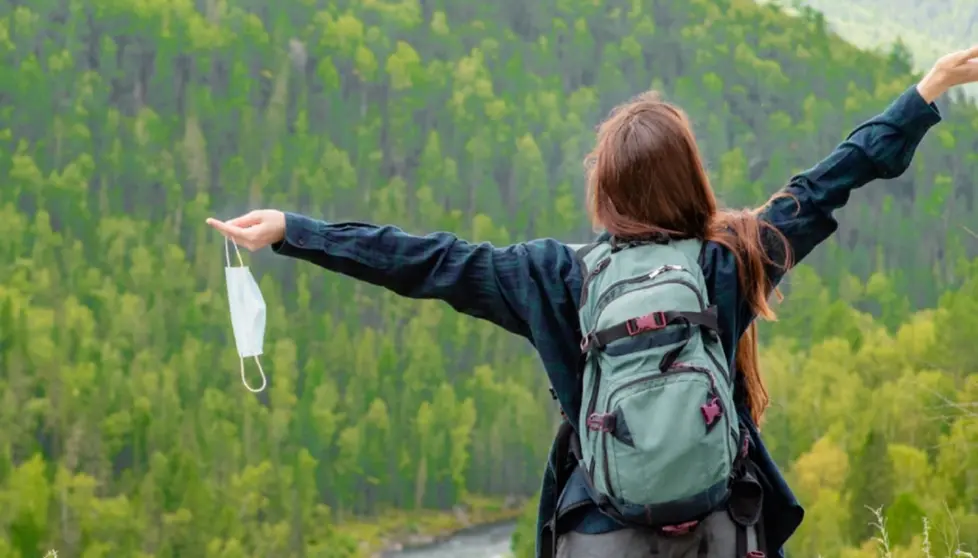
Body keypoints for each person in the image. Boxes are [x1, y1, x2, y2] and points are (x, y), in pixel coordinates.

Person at [206, 45, 978, 558]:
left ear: (604, 191)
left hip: (601, 531)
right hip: (720, 528)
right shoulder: (731, 258)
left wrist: (296, 232)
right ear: (691, 181)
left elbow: (427, 261)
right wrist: (925, 93)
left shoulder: (550, 276)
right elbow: (827, 182)